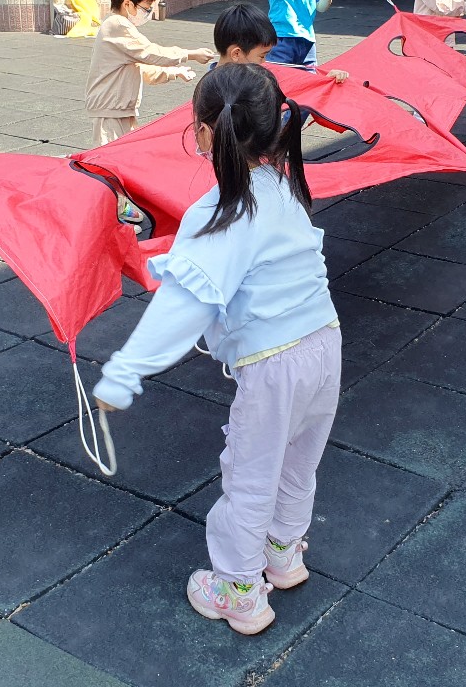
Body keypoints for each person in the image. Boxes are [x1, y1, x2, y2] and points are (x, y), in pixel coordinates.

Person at [93, 63, 341, 636]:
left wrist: (124, 373)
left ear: (204, 132)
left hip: (274, 363)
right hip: (326, 344)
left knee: (250, 474)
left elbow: (184, 305)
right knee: (299, 460)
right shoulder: (282, 186)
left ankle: (238, 591)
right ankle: (284, 554)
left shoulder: (220, 211)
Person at [85, 0, 216, 146]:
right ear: (128, 4)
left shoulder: (120, 29)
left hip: (119, 110)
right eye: (145, 8)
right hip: (110, 112)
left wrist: (173, 72)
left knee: (125, 155)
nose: (147, 13)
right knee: (110, 158)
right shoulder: (117, 25)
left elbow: (143, 69)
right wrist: (189, 54)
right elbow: (151, 53)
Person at [214, 3, 349, 83]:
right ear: (236, 54)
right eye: (262, 56)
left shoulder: (251, 75)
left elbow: (294, 84)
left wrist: (325, 80)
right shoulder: (215, 90)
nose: (265, 62)